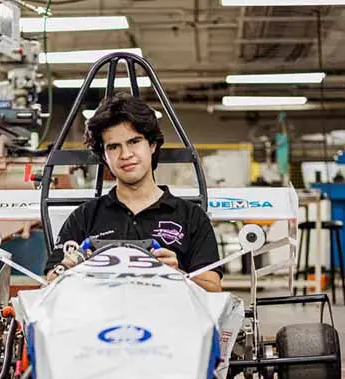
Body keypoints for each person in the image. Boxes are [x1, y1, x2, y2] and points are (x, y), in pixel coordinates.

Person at [43, 92, 223, 292]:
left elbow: (213, 291)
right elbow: (51, 283)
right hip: (98, 320)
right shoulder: (84, 217)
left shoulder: (191, 217)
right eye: (113, 147)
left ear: (152, 145)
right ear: (104, 155)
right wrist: (69, 268)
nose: (126, 155)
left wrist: (178, 274)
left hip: (168, 319)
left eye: (134, 142)